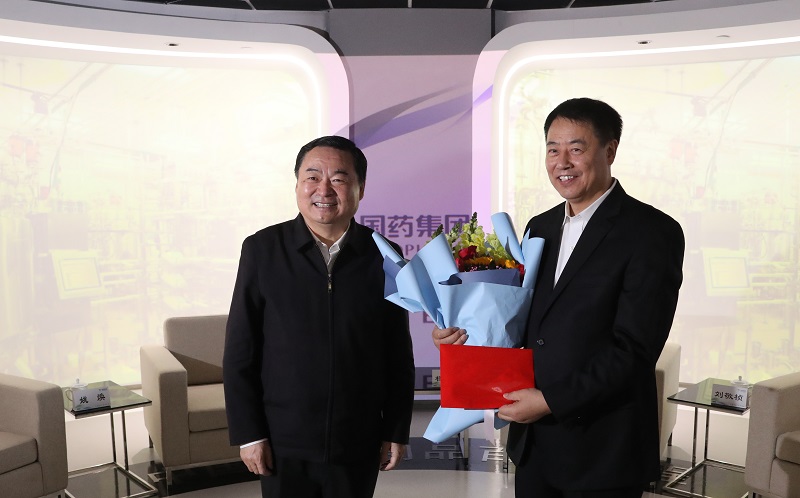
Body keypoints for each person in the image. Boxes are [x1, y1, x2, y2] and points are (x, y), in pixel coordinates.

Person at [433, 98, 684, 497]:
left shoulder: (652, 232)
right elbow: (521, 323)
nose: (562, 162)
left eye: (576, 148)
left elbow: (635, 349)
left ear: (610, 150)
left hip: (603, 449)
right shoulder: (540, 227)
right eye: (553, 149)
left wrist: (551, 400)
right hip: (535, 445)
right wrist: (462, 335)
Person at [223, 135, 415, 498]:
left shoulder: (384, 255)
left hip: (356, 439)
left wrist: (395, 429)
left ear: (360, 189)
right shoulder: (262, 250)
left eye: (339, 179)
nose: (323, 189)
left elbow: (397, 354)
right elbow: (239, 352)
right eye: (312, 177)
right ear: (297, 184)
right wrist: (249, 434)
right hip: (283, 442)